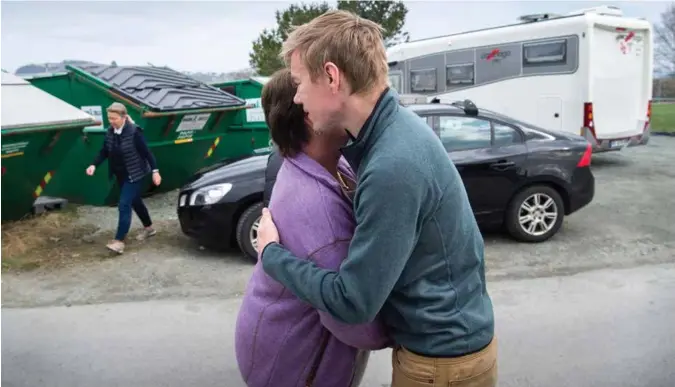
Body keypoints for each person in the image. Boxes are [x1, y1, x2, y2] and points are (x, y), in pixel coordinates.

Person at [255, 10, 497, 387]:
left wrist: (271, 254)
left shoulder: (392, 165)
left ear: (332, 77)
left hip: (442, 366)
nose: (298, 97)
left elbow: (353, 303)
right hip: (450, 350)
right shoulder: (394, 132)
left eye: (301, 82)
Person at [235, 68, 390, 387]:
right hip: (297, 368)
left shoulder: (334, 163)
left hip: (276, 343)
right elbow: (355, 322)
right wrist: (408, 328)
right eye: (334, 93)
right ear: (310, 114)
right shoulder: (315, 206)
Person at [86, 102, 162, 254]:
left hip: (135, 173)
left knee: (124, 204)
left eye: (114, 118)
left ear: (124, 117)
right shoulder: (110, 132)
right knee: (135, 201)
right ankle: (149, 228)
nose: (111, 121)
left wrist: (155, 171)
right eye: (110, 118)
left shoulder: (134, 132)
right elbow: (104, 151)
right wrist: (94, 165)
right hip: (120, 174)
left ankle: (119, 241)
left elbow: (147, 153)